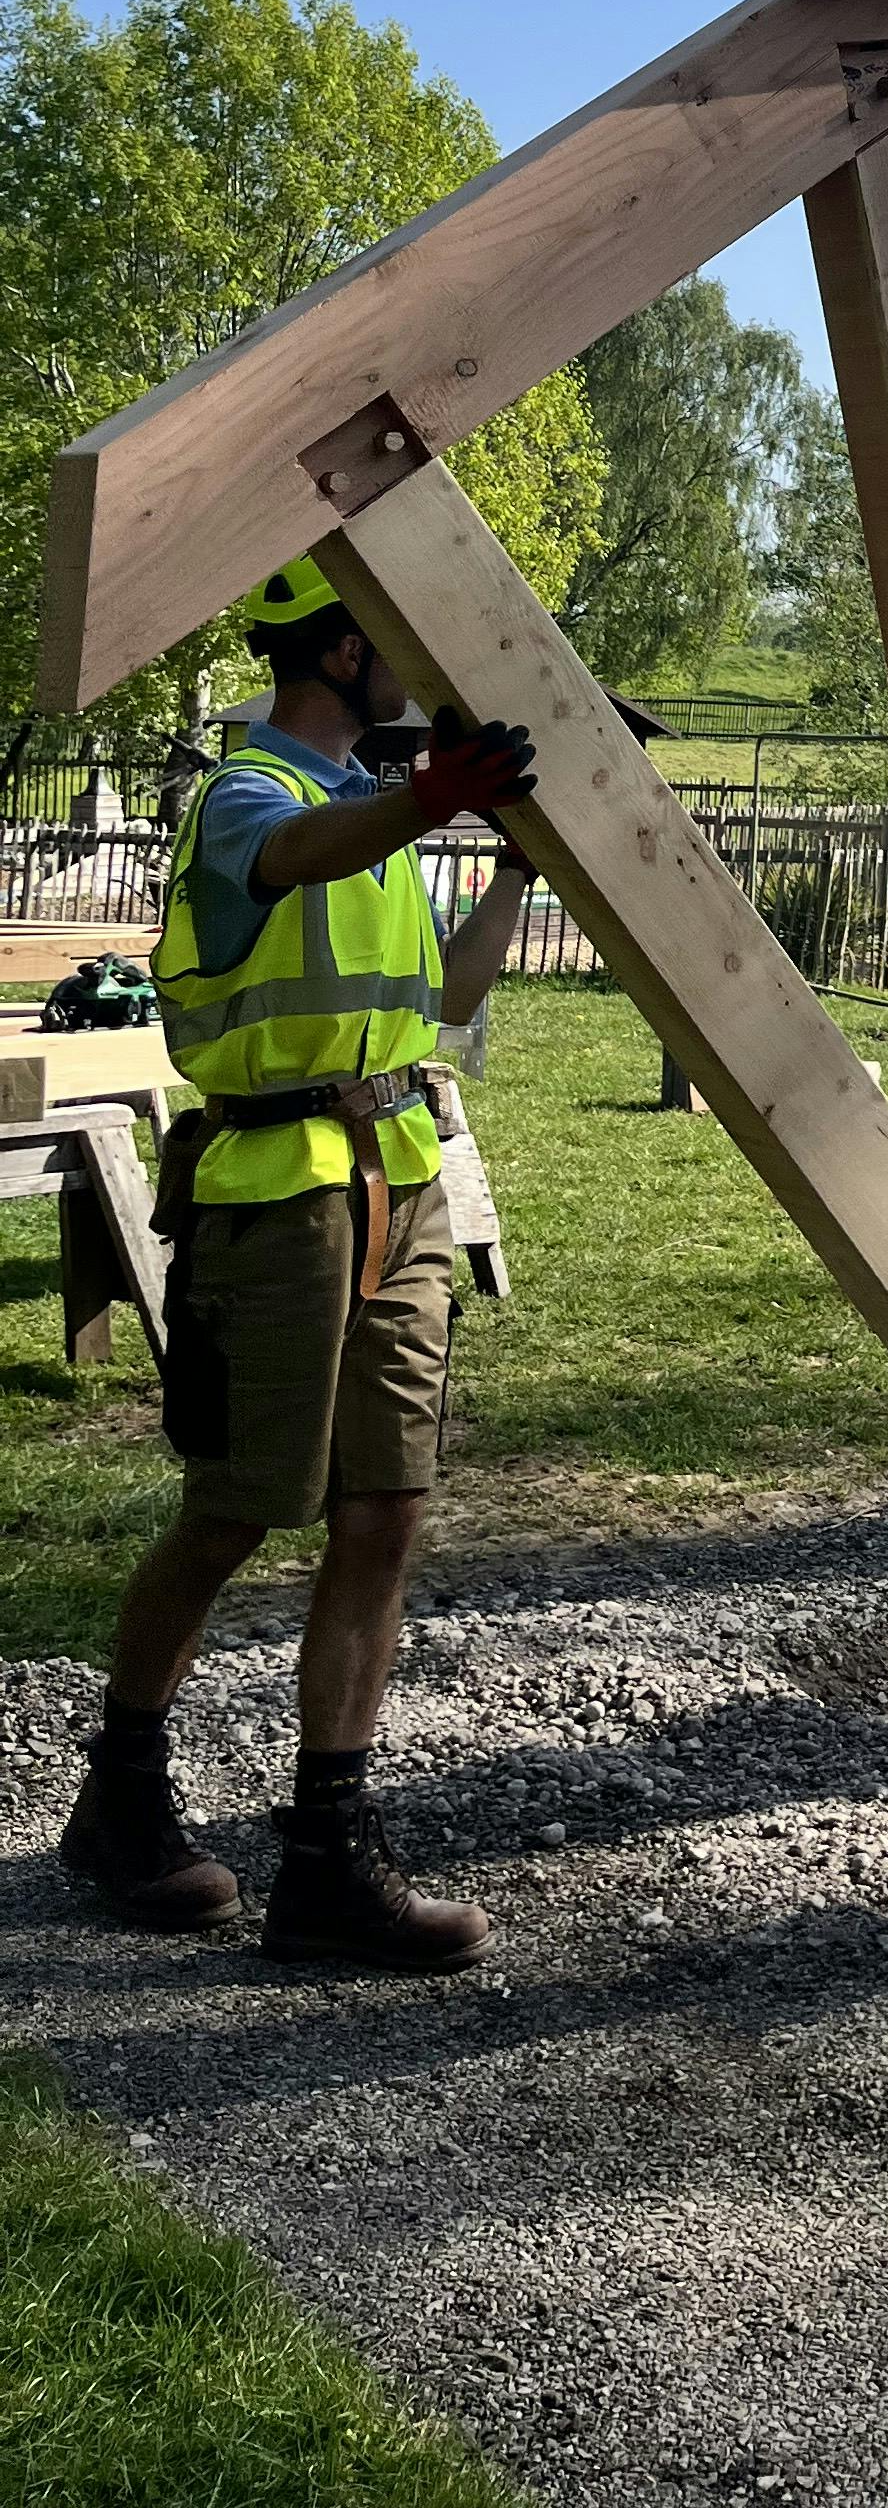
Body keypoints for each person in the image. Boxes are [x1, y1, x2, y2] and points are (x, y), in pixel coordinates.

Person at [59, 554, 541, 1967]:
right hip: (277, 1195)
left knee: (384, 1511)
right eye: (394, 648)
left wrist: (506, 861)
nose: (414, 675)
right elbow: (285, 863)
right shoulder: (251, 797)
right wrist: (429, 799)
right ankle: (122, 1801)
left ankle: (327, 1860)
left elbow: (442, 997)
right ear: (341, 654)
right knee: (235, 1508)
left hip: (400, 1180)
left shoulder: (376, 820)